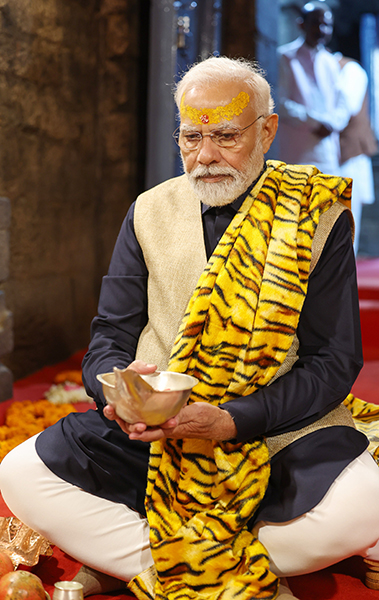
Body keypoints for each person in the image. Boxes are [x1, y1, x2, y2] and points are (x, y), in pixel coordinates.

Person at [1, 55, 379, 600]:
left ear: (266, 130)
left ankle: (146, 563)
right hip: (158, 435)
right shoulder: (149, 211)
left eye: (226, 136)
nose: (205, 157)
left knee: (364, 501)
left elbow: (335, 361)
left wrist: (232, 420)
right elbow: (110, 332)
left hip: (279, 431)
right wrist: (120, 390)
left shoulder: (316, 215)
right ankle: (225, 569)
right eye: (190, 138)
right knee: (19, 473)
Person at [277, 1, 350, 173]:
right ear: (301, 25)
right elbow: (280, 103)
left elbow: (342, 105)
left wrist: (332, 123)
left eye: (327, 25)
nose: (322, 30)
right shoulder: (285, 58)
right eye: (316, 23)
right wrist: (316, 123)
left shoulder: (330, 62)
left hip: (328, 155)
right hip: (295, 155)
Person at [336, 53, 378, 254]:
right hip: (334, 154)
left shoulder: (349, 69)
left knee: (348, 217)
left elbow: (346, 110)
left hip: (350, 153)